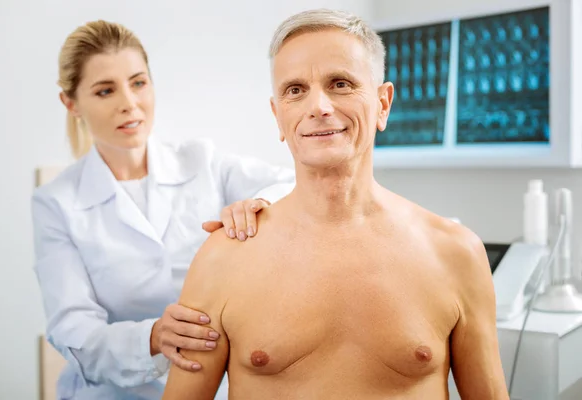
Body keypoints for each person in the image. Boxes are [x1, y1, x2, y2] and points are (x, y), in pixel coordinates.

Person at [162, 8, 509, 400]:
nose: (319, 106)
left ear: (383, 103)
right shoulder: (223, 258)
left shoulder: (456, 253)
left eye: (340, 83)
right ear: (278, 116)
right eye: (295, 90)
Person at [31, 20, 295, 400]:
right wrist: (152, 336)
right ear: (71, 103)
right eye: (105, 90)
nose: (129, 103)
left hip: (215, 385)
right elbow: (73, 329)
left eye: (138, 83)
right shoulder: (55, 202)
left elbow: (292, 183)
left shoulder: (201, 161)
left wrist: (259, 203)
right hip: (115, 392)